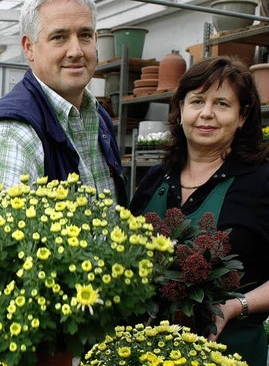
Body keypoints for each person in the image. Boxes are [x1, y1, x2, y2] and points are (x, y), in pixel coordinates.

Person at [130, 56, 269, 366]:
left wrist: (236, 306)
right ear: (180, 110)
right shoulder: (156, 178)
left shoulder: (261, 182)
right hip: (146, 351)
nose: (207, 114)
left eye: (222, 104)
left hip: (231, 352)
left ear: (243, 115)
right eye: (197, 101)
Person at [0, 0, 127, 205]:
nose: (76, 51)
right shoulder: (12, 135)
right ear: (29, 48)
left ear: (95, 40)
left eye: (85, 35)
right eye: (59, 37)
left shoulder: (98, 120)